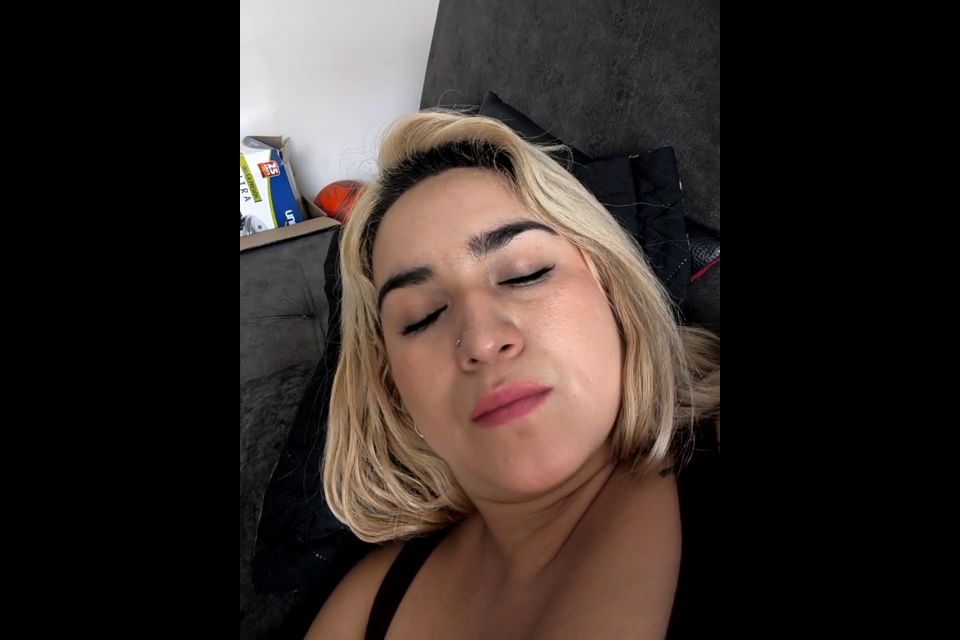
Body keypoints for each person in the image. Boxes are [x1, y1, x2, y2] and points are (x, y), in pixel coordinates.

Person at [305, 110, 720, 639]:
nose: (480, 340)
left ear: (613, 292)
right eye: (422, 317)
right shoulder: (363, 606)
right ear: (393, 388)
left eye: (526, 274)